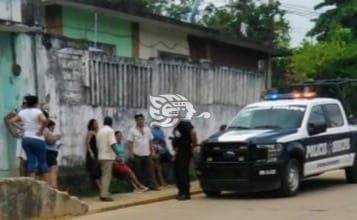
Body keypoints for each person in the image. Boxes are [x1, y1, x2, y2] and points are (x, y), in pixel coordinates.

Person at [9, 95, 50, 183]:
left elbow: (11, 121)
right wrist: (41, 130)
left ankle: (32, 184)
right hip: (37, 139)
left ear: (27, 103)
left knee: (31, 161)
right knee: (43, 162)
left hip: (26, 139)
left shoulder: (22, 112)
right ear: (36, 103)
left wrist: (21, 128)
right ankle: (48, 186)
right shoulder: (38, 111)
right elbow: (45, 121)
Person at [127, 114, 160, 191]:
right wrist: (131, 153)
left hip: (147, 153)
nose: (140, 121)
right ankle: (142, 186)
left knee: (150, 170)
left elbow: (151, 141)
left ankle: (153, 185)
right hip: (137, 154)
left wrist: (152, 151)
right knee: (139, 171)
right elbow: (130, 142)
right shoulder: (132, 130)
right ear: (136, 121)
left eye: (141, 119)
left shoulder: (147, 129)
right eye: (138, 120)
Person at [171, 116, 198, 201]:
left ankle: (186, 194)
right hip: (178, 152)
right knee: (177, 172)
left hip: (185, 151)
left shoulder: (184, 124)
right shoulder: (176, 128)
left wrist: (193, 146)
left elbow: (193, 133)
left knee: (183, 172)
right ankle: (180, 192)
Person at [96, 116, 120, 202]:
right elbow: (112, 144)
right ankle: (104, 195)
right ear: (111, 123)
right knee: (107, 176)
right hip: (107, 156)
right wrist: (118, 154)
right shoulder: (110, 131)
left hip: (101, 155)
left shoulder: (100, 131)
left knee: (104, 175)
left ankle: (103, 192)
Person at [4, 100, 28, 176]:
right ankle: (23, 181)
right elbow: (6, 119)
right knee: (23, 161)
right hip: (22, 137)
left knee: (28, 160)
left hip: (30, 136)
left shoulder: (32, 110)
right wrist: (12, 132)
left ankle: (27, 181)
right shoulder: (19, 109)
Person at [43, 120, 62, 188]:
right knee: (53, 168)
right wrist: (56, 137)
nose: (53, 129)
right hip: (49, 153)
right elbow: (50, 141)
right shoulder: (46, 131)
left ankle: (51, 185)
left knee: (52, 169)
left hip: (51, 153)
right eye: (52, 127)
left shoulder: (49, 132)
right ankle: (53, 185)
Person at [85, 119, 101, 191]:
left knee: (99, 170)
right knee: (95, 171)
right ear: (91, 125)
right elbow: (87, 143)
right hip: (92, 154)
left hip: (98, 153)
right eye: (94, 124)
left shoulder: (98, 132)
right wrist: (91, 152)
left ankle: (102, 188)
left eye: (96, 123)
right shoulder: (90, 132)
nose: (96, 125)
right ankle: (100, 188)